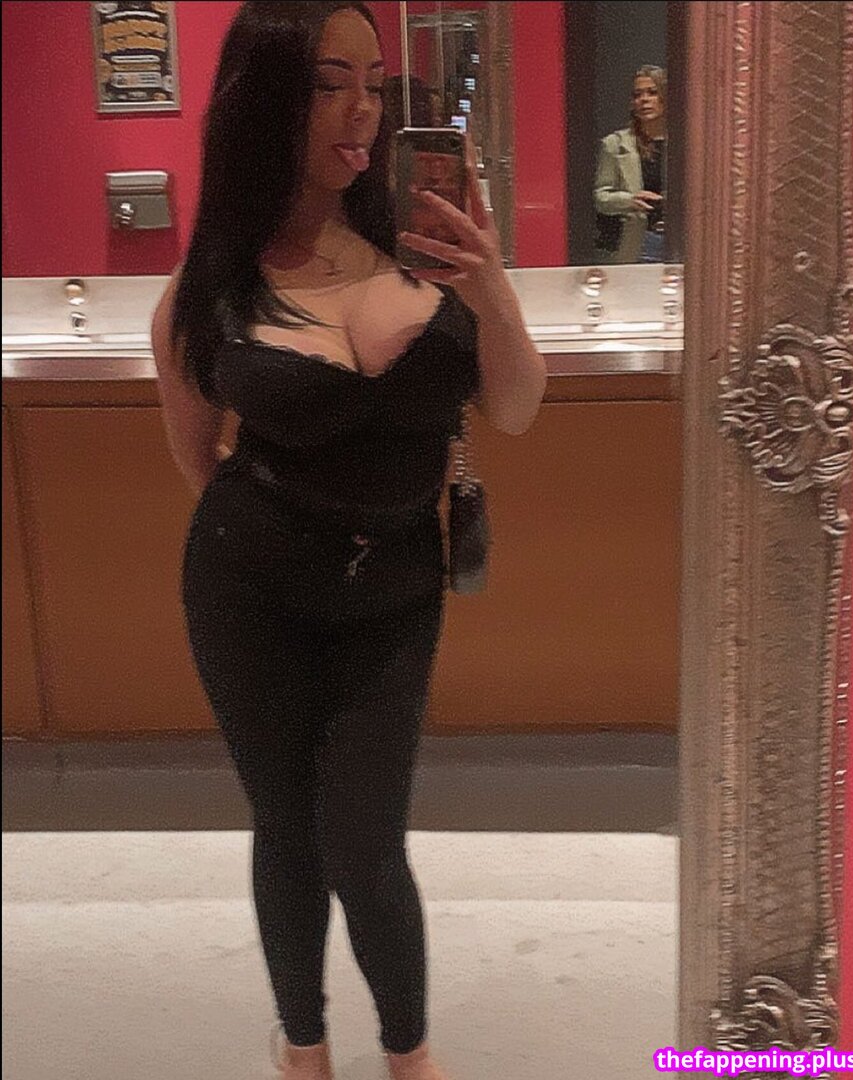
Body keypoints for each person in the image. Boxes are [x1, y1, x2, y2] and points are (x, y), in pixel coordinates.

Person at [149, 4, 546, 1080]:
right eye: (331, 83)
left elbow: (515, 408)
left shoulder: (425, 244)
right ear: (265, 99)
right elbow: (199, 459)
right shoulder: (210, 288)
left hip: (396, 589)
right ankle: (304, 1047)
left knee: (366, 840)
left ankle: (409, 1056)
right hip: (249, 589)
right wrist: (291, 533)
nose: (363, 110)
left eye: (374, 83)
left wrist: (489, 284)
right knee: (286, 824)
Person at [593, 65, 668, 264]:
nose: (644, 100)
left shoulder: (686, 143)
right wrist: (630, 200)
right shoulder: (616, 144)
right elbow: (601, 197)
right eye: (637, 95)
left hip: (681, 238)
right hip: (642, 239)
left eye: (652, 92)